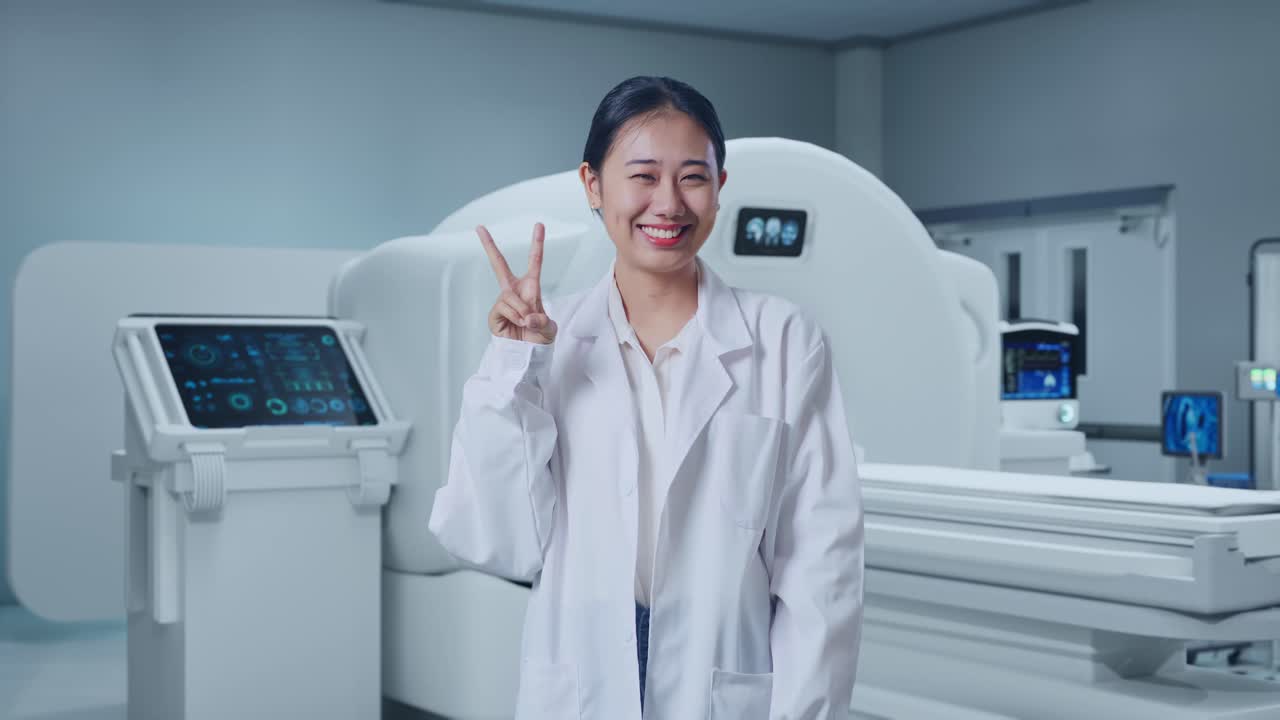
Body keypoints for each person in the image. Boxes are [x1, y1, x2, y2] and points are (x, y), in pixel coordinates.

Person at [428, 76, 863, 719]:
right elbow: (494, 539)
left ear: (719, 187)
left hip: (720, 677)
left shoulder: (784, 341)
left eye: (692, 177)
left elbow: (821, 567)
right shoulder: (546, 343)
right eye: (643, 176)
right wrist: (515, 364)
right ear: (593, 185)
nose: (668, 203)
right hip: (584, 675)